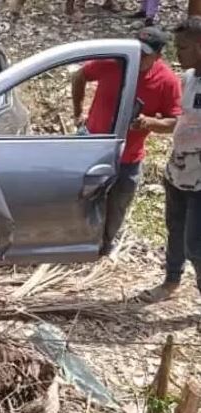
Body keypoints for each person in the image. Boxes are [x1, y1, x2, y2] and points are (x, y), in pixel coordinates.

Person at [72, 27, 182, 256]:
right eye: (136, 51)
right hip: (93, 148)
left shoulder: (166, 81)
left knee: (117, 206)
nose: (139, 58)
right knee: (82, 200)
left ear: (159, 55)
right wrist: (77, 112)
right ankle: (78, 243)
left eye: (146, 54)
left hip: (128, 157)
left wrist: (149, 122)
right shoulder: (113, 62)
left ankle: (104, 245)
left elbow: (174, 121)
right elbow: (80, 76)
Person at [141, 17, 201, 302]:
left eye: (184, 47)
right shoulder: (188, 80)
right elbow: (181, 122)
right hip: (178, 170)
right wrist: (151, 123)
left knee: (196, 245)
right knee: (174, 230)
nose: (178, 53)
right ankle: (171, 282)